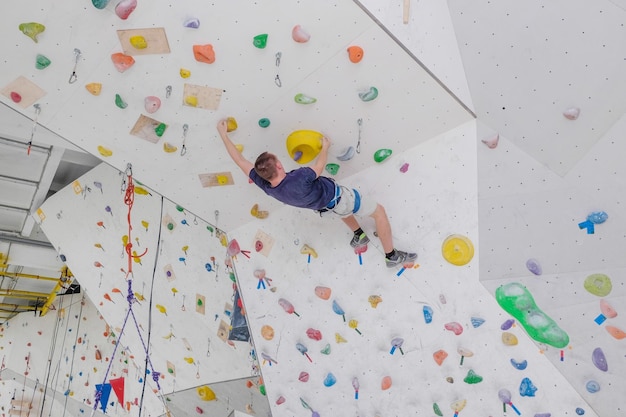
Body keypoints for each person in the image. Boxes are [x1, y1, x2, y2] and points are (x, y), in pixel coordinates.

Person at [216, 119, 416, 268]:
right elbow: (319, 166)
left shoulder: (266, 185)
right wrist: (325, 147)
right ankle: (392, 256)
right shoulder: (301, 176)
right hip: (340, 199)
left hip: (323, 208)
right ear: (278, 164)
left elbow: (240, 161)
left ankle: (359, 235)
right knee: (378, 212)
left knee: (341, 212)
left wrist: (223, 135)